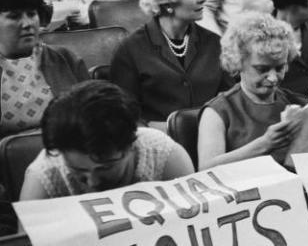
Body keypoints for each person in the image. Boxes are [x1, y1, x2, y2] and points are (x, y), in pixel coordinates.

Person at [198, 12, 308, 168]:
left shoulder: (299, 103)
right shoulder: (219, 111)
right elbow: (206, 168)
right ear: (238, 62)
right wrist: (264, 144)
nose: (273, 78)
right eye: (262, 69)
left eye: (280, 68)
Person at [111, 0, 232, 127]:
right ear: (167, 2)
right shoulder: (130, 50)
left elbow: (230, 101)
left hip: (213, 139)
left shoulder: (214, 43)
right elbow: (124, 116)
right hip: (157, 143)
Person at [20, 81, 194, 200]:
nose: (93, 182)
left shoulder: (164, 156)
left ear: (130, 145)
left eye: (105, 168)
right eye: (78, 171)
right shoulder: (44, 176)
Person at [0, 0, 89, 136]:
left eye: (31, 14)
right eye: (14, 16)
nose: (27, 23)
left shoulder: (64, 58)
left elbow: (94, 115)